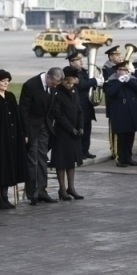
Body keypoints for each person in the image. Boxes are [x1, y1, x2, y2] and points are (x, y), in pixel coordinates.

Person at [19, 67, 64, 205]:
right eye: (54, 83)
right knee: (32, 160)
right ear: (48, 77)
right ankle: (33, 193)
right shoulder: (31, 85)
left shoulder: (53, 86)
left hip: (45, 127)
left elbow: (53, 106)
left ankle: (42, 191)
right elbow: (23, 111)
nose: (55, 86)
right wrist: (25, 133)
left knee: (43, 159)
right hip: (31, 128)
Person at [0, 70, 27, 210]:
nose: (6, 83)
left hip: (12, 138)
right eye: (3, 81)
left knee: (9, 168)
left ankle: (5, 196)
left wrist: (22, 133)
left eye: (8, 81)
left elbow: (16, 116)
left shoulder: (10, 96)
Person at [51, 66, 85, 200]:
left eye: (72, 82)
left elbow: (79, 110)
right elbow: (58, 115)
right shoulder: (57, 92)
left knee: (71, 160)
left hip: (75, 131)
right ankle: (62, 188)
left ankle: (71, 187)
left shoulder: (75, 91)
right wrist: (71, 129)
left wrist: (81, 127)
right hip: (62, 132)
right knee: (61, 161)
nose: (70, 85)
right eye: (67, 82)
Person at [105, 61, 137, 167]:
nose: (125, 72)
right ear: (117, 71)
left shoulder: (131, 80)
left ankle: (128, 157)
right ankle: (120, 158)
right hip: (119, 113)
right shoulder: (111, 81)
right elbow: (111, 93)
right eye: (123, 70)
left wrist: (129, 81)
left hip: (131, 112)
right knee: (121, 137)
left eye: (126, 70)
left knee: (130, 136)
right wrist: (120, 82)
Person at [67, 51, 103, 159]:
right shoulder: (71, 73)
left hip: (87, 105)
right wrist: (94, 81)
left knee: (87, 130)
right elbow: (82, 85)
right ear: (71, 62)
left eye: (81, 59)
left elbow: (88, 85)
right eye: (78, 60)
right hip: (79, 105)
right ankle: (79, 152)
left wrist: (97, 84)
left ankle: (85, 150)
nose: (81, 62)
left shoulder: (83, 72)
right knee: (80, 131)